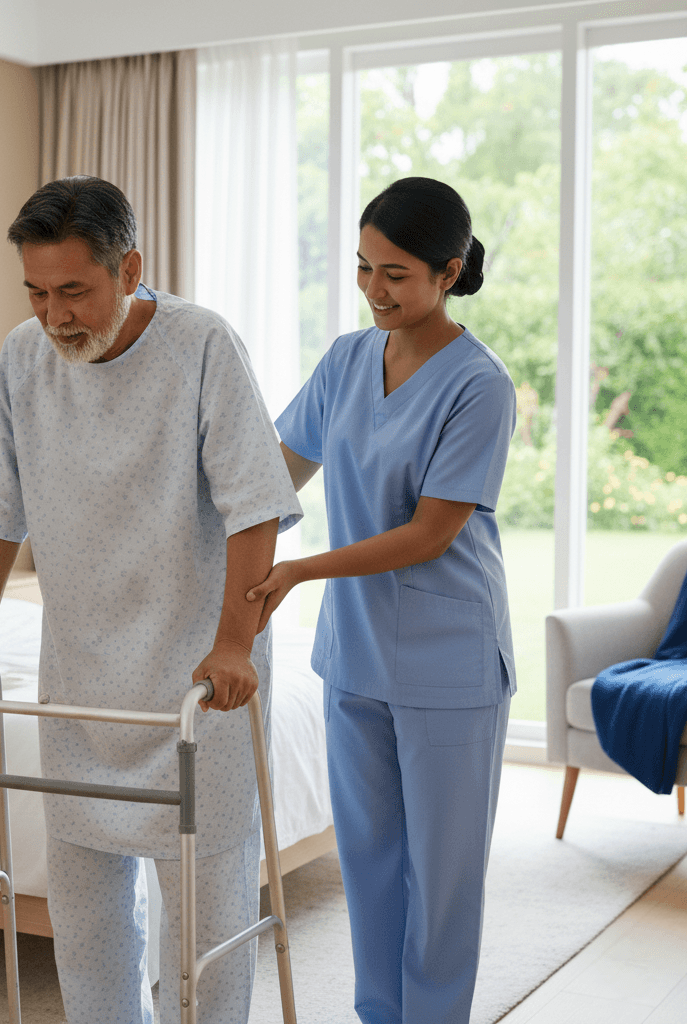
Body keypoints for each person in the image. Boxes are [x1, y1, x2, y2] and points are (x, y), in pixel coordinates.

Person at [0, 175, 302, 1024]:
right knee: (86, 914)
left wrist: (235, 644)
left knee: (205, 919)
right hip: (81, 678)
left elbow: (256, 504)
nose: (55, 315)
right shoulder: (22, 357)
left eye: (74, 290)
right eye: (36, 292)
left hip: (198, 683)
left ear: (129, 266)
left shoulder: (202, 344)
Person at [247, 176, 516, 1024]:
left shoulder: (481, 385)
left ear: (449, 270)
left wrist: (298, 571)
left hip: (449, 657)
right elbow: (272, 472)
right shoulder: (346, 360)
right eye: (364, 268)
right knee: (367, 858)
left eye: (394, 273)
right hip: (355, 654)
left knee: (441, 873)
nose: (374, 290)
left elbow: (432, 531)